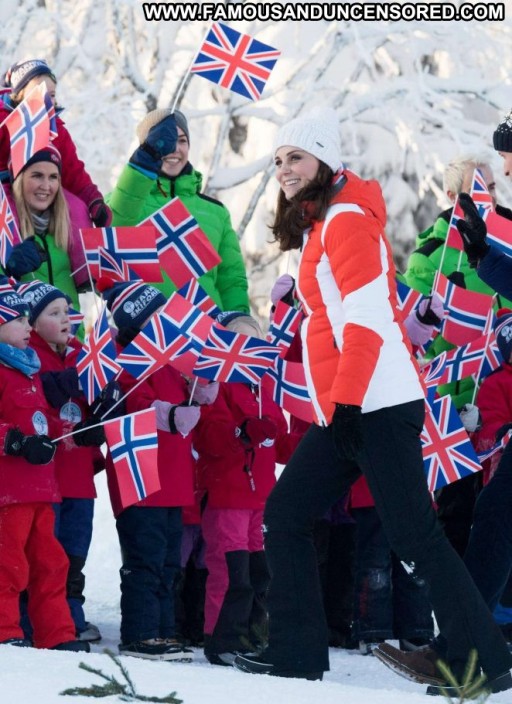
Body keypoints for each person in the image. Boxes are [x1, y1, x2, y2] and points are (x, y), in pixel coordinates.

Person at [231, 108, 512, 696]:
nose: (284, 169)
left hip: (373, 403)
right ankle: (296, 652)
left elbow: (367, 321)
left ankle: (483, 657)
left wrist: (348, 406)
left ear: (324, 160)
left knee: (414, 537)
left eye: (296, 157)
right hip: (354, 402)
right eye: (279, 160)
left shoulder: (347, 221)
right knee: (287, 514)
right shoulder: (325, 220)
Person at [98, 277, 203, 661]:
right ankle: (140, 633)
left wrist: (201, 384)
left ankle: (164, 629)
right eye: (156, 314)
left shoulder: (172, 362)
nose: (166, 319)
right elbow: (138, 406)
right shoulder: (129, 364)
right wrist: (172, 415)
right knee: (145, 559)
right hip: (140, 480)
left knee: (169, 562)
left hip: (172, 482)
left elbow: (196, 392)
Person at [194, 311, 299, 667]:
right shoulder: (214, 386)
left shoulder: (263, 388)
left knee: (258, 572)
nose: (250, 347)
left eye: (256, 339)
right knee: (229, 570)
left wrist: (310, 441)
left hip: (261, 497)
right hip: (227, 494)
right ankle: (222, 638)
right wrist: (242, 433)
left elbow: (279, 445)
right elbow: (210, 438)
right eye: (240, 339)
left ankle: (253, 634)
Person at [0, 278, 89, 652]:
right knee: (8, 564)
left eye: (27, 319)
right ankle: (6, 630)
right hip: (9, 493)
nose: (27, 327)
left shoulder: (29, 370)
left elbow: (42, 423)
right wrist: (15, 441)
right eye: (18, 321)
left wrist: (74, 433)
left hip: (42, 489)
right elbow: (16, 429)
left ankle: (57, 634)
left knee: (51, 564)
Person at [18, 279, 108, 642]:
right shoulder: (26, 356)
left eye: (66, 312)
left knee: (75, 552)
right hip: (46, 476)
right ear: (32, 323)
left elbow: (95, 399)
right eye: (53, 313)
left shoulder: (83, 354)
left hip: (78, 474)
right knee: (44, 553)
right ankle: (32, 621)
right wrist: (58, 384)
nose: (65, 319)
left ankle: (71, 617)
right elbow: (33, 406)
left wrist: (99, 416)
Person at [107, 109, 249, 313]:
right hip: (150, 327)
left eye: (182, 140)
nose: (174, 148)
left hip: (207, 326)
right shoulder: (124, 202)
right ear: (147, 147)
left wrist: (240, 321)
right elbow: (110, 235)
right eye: (164, 140)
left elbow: (231, 282)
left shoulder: (216, 212)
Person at [0, 58, 111, 227]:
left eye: (51, 95)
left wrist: (93, 200)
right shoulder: (4, 123)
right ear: (19, 96)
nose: (47, 100)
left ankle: (78, 244)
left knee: (76, 210)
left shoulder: (56, 130)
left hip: (42, 196)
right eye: (38, 93)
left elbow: (73, 171)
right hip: (6, 193)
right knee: (11, 213)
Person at [4, 145, 89, 311]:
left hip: (71, 327)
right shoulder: (4, 230)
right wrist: (7, 269)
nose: (46, 186)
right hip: (23, 328)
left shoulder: (71, 229)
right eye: (37, 176)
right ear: (18, 179)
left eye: (53, 177)